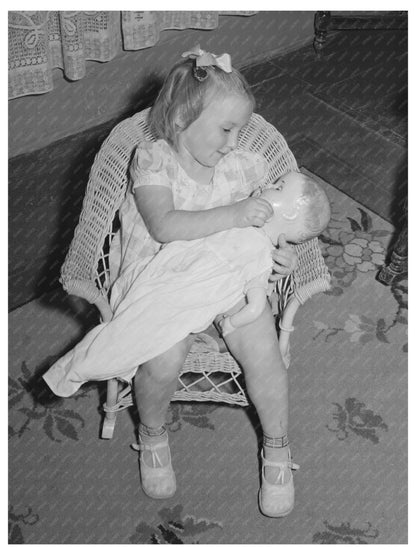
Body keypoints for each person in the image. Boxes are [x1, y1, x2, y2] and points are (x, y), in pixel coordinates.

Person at [43, 46, 307, 518]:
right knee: (162, 359)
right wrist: (233, 214)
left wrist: (282, 254)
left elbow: (273, 225)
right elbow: (164, 226)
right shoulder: (153, 160)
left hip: (227, 279)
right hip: (163, 280)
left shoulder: (244, 165)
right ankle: (152, 434)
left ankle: (278, 446)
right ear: (183, 117)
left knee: (264, 349)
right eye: (225, 129)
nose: (233, 141)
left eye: (239, 129)